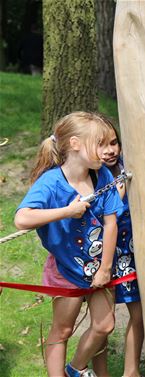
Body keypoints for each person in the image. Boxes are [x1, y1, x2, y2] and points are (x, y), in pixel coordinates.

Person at [14, 112, 122, 377]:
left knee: (105, 325)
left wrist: (105, 268)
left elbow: (111, 224)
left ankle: (75, 369)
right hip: (65, 271)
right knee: (62, 330)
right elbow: (22, 219)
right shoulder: (51, 182)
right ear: (75, 144)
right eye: (98, 144)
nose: (105, 152)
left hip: (99, 268)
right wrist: (65, 212)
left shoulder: (103, 176)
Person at [99, 122, 144, 377]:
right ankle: (101, 372)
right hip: (102, 255)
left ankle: (131, 371)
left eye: (113, 143)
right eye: (102, 145)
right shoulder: (92, 176)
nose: (109, 150)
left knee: (138, 314)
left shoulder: (128, 166)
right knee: (102, 322)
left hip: (129, 253)